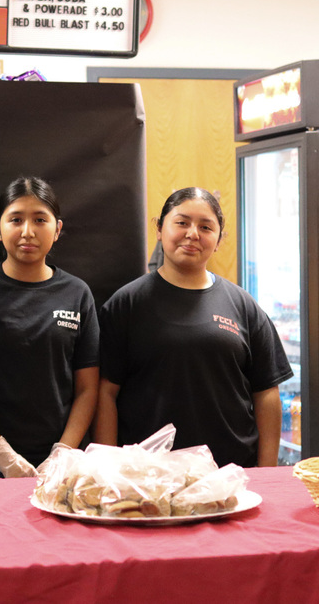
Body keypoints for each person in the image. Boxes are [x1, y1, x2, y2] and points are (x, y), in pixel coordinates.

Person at [95, 187, 293, 467]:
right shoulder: (125, 304)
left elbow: (266, 392)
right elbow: (105, 393)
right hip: (147, 476)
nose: (193, 234)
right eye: (182, 222)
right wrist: (108, 467)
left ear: (219, 239)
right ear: (159, 229)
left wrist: (267, 470)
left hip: (231, 472)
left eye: (206, 227)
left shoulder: (242, 305)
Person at [0, 177, 99, 479]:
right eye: (16, 220)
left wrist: (62, 454)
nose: (28, 232)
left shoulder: (77, 294)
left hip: (58, 462)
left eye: (40, 219)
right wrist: (1, 454)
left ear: (57, 229)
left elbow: (88, 389)